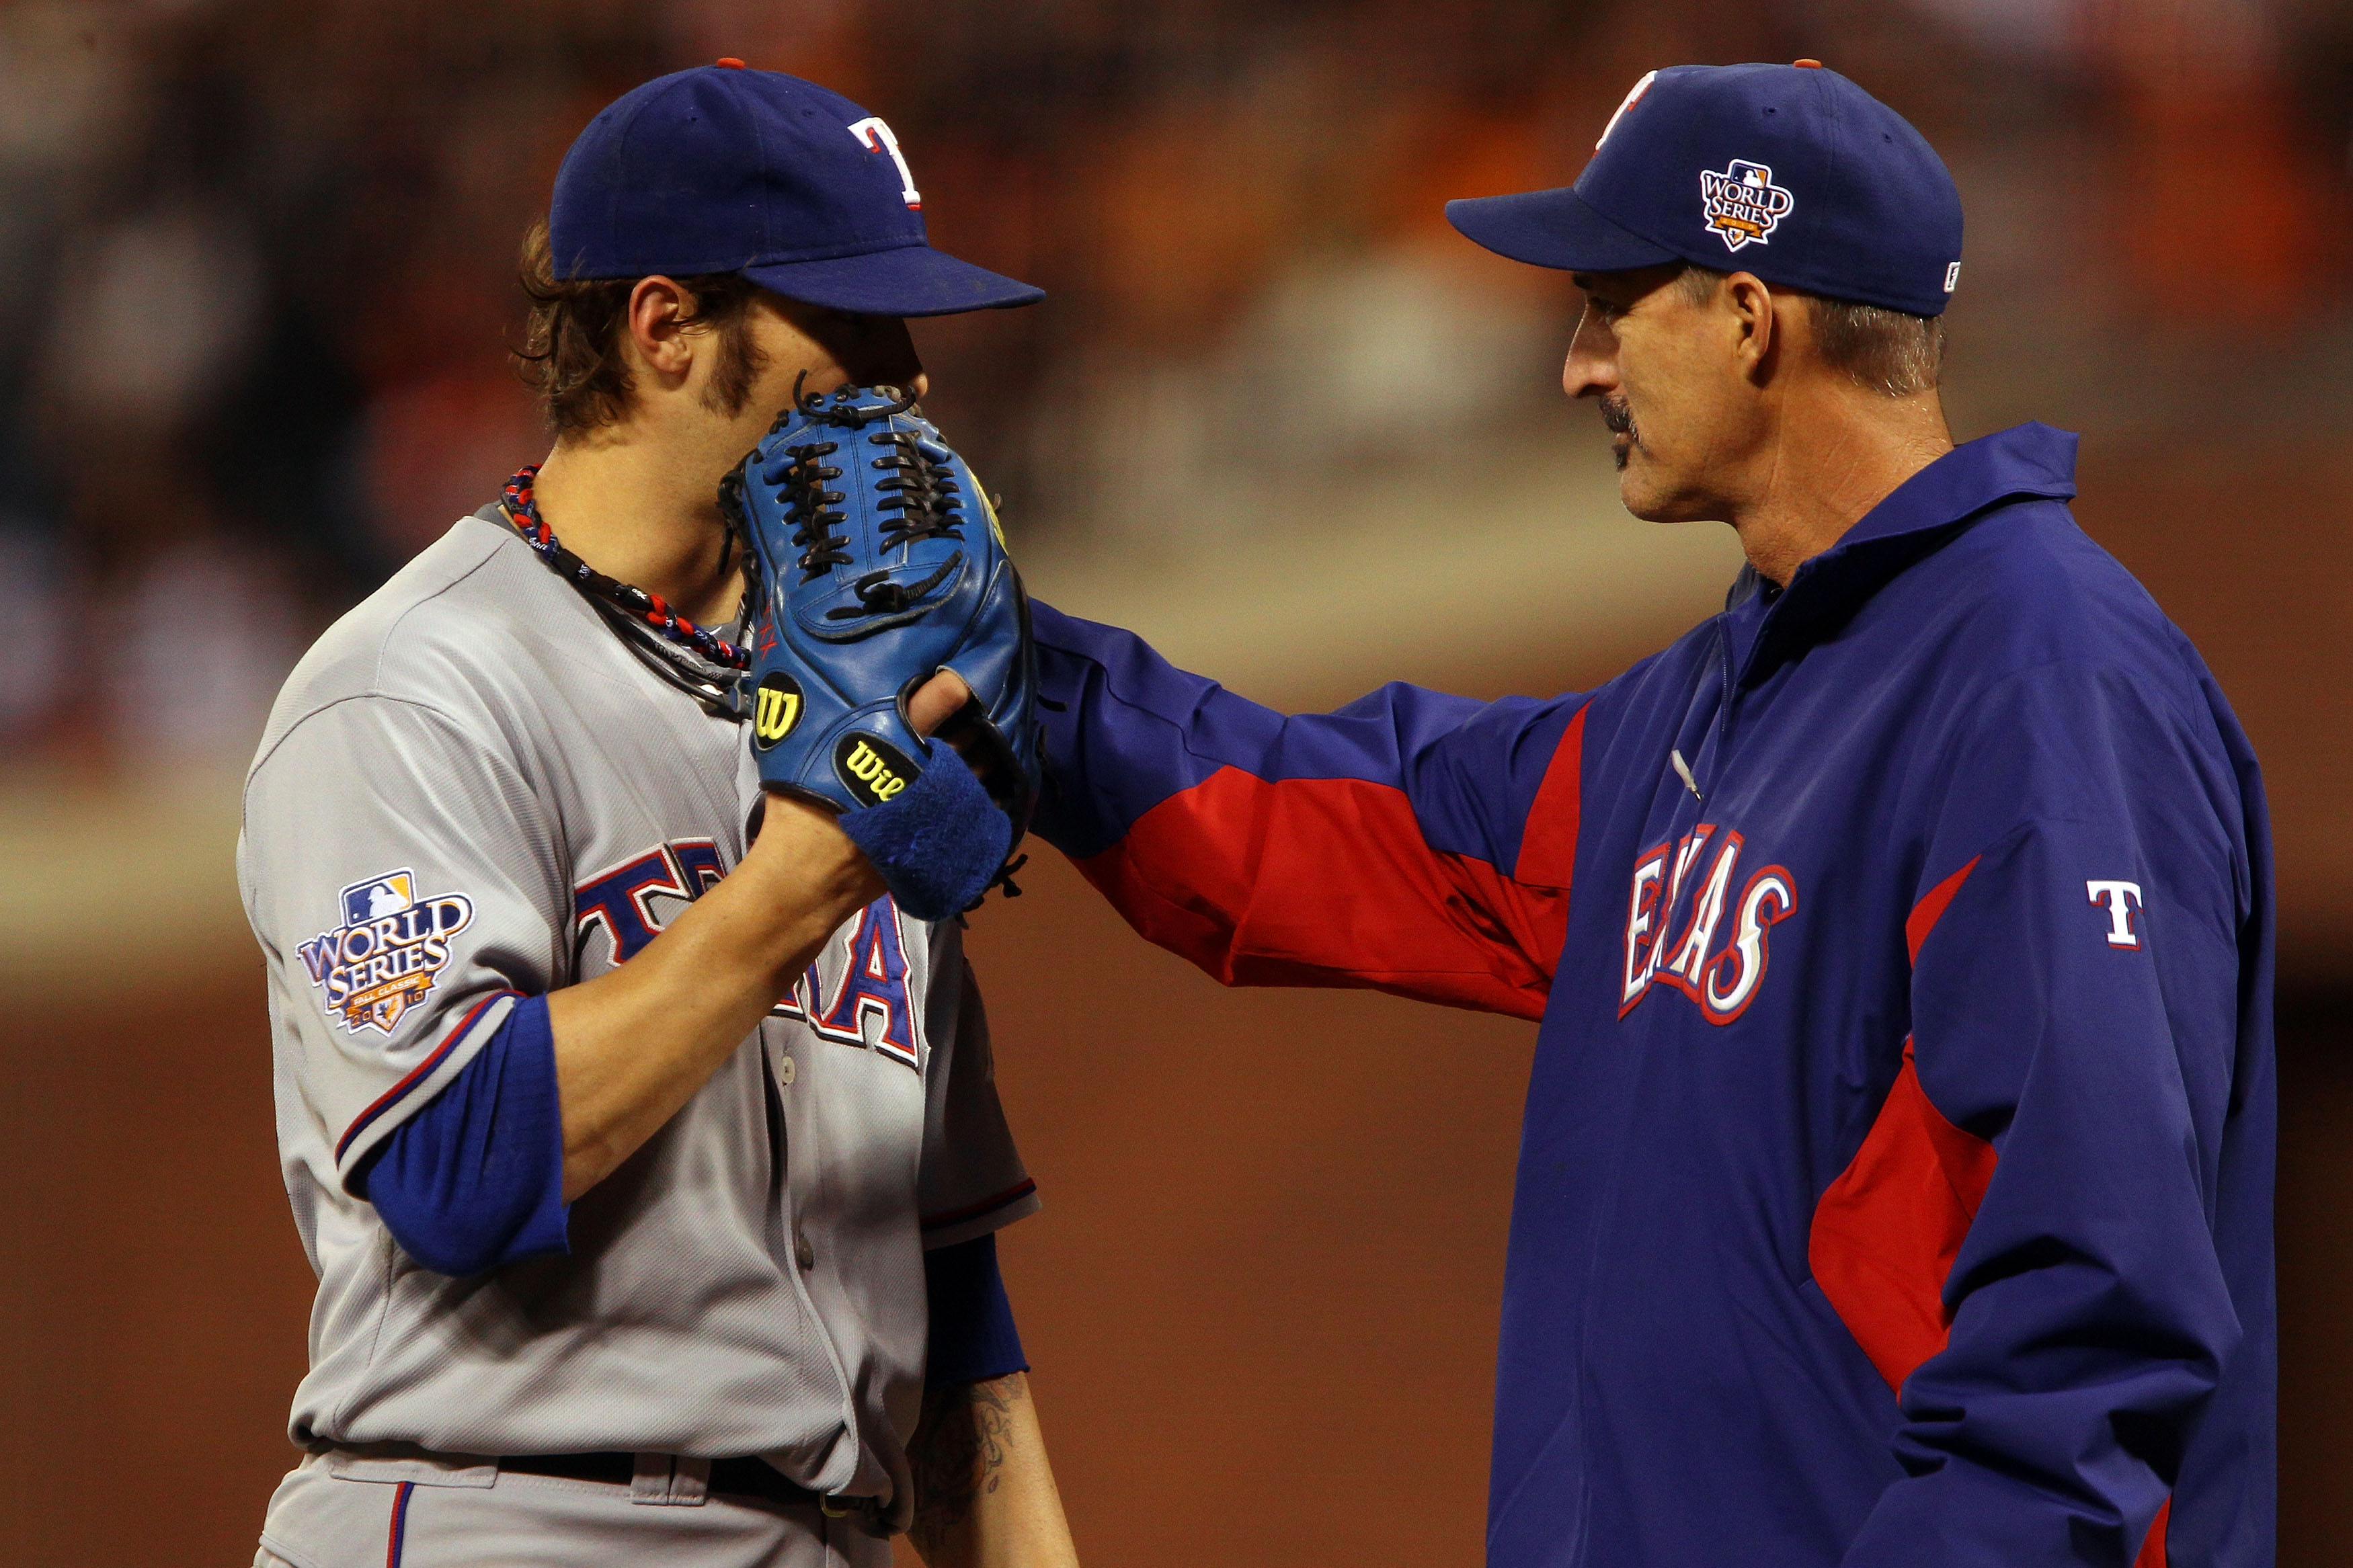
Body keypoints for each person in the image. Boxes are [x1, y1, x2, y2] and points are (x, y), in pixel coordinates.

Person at [980, 62, 2273, 1567]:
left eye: (1609, 301)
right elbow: (1327, 823)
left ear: (1747, 316)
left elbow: (2091, 1310)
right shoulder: (1706, 708)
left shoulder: (2040, 675)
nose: (1579, 364)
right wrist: (1009, 666)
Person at [239, 63, 1080, 1568]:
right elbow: (453, 1168)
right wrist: (796, 887)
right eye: (852, 321)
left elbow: (951, 1304)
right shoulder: (412, 686)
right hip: (498, 1519)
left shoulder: (863, 705)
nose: (905, 377)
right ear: (666, 324)